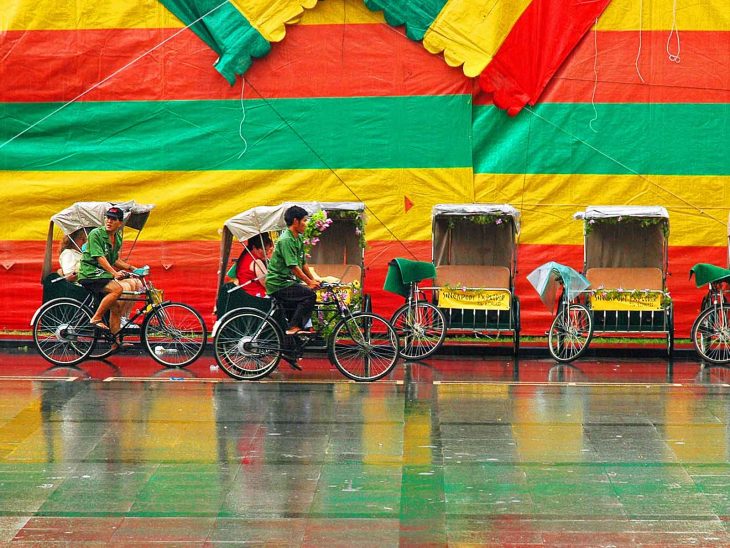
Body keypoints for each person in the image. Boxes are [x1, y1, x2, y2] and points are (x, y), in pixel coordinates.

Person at [77, 207, 140, 347]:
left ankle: (115, 343)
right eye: (107, 217)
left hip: (102, 274)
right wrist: (114, 273)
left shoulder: (117, 238)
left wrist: (132, 268)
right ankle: (96, 318)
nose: (109, 221)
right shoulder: (96, 234)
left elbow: (115, 259)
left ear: (120, 223)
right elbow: (99, 257)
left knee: (116, 308)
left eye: (113, 219)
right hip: (90, 273)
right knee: (117, 289)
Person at [266, 206, 320, 335]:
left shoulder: (298, 238)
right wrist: (308, 283)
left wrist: (313, 280)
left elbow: (302, 263)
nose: (306, 224)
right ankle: (294, 327)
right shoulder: (286, 240)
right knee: (309, 295)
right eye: (304, 220)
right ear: (296, 221)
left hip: (287, 282)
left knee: (293, 312)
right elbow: (293, 267)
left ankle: (292, 345)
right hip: (279, 284)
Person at [227, 233, 273, 297]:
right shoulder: (257, 262)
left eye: (268, 250)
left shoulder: (244, 256)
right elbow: (268, 284)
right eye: (264, 250)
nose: (267, 252)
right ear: (254, 247)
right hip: (257, 295)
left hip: (245, 293)